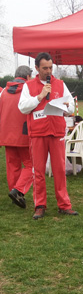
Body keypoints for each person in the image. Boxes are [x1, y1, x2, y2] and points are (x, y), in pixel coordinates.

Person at [18, 52, 78, 220]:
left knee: (59, 169)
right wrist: (40, 96)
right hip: (37, 133)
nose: (48, 71)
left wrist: (67, 106)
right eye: (45, 68)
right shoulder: (29, 85)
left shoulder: (60, 84)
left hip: (57, 132)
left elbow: (71, 107)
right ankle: (40, 205)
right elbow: (23, 108)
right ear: (37, 68)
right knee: (38, 171)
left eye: (50, 67)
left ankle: (64, 205)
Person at [0, 66, 33, 208]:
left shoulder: (3, 92)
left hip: (6, 134)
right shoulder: (28, 91)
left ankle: (15, 194)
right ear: (27, 77)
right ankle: (18, 191)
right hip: (24, 134)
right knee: (31, 165)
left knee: (12, 166)